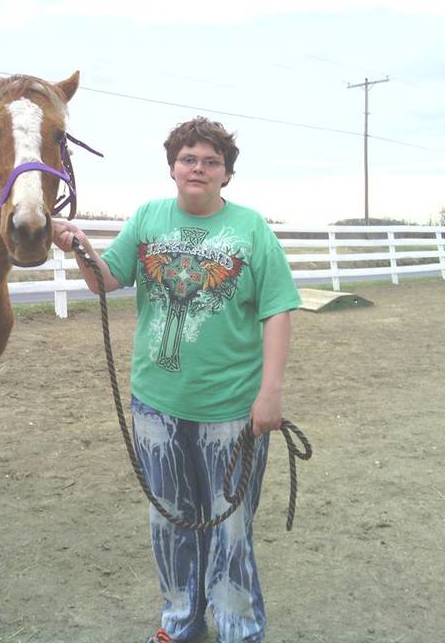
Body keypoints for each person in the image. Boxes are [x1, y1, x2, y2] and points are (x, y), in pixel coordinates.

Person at [52, 117, 301, 643]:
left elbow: (277, 309)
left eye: (211, 161)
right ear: (172, 167)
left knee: (230, 527)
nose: (198, 168)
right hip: (156, 407)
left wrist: (270, 392)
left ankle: (237, 628)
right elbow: (106, 279)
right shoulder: (148, 218)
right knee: (169, 521)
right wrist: (80, 246)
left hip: (231, 411)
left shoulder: (252, 229)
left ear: (226, 174)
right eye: (188, 159)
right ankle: (181, 621)